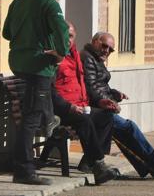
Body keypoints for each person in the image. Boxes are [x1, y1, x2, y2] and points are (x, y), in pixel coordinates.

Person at [81, 32, 154, 179]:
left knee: (126, 129)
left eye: (111, 50)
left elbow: (100, 86)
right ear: (95, 42)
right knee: (128, 128)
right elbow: (91, 88)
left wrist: (115, 94)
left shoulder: (95, 59)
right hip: (95, 109)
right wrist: (108, 102)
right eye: (105, 46)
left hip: (99, 107)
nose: (107, 51)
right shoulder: (88, 58)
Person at [2, 0, 70, 186]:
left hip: (18, 63)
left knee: (33, 111)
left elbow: (6, 33)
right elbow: (62, 33)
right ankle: (24, 170)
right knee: (30, 119)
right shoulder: (51, 5)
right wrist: (60, 53)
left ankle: (50, 119)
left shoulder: (20, 0)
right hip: (38, 66)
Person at [50, 22, 118, 185]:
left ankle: (89, 162)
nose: (68, 40)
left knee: (106, 116)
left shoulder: (75, 56)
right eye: (65, 35)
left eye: (71, 36)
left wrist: (100, 101)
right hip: (60, 110)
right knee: (85, 120)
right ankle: (99, 166)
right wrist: (70, 107)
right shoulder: (53, 57)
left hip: (79, 105)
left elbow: (82, 85)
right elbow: (48, 91)